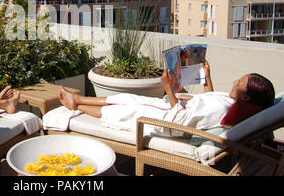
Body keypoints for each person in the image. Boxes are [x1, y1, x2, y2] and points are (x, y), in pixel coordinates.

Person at [59, 61, 275, 136]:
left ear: (246, 96)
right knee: (125, 97)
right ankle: (78, 100)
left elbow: (179, 120)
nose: (235, 80)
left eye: (239, 82)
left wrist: (168, 87)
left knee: (120, 109)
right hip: (171, 109)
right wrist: (207, 78)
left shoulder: (224, 110)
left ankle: (75, 103)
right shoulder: (231, 104)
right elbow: (209, 100)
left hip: (165, 121)